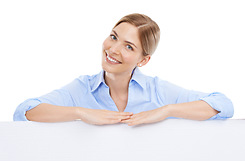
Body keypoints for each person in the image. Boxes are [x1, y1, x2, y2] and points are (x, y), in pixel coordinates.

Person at [13, 13, 234, 126]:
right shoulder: (82, 88)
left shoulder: (156, 90)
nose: (113, 49)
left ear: (143, 60)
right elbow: (25, 111)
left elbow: (223, 104)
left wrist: (167, 111)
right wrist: (81, 113)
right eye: (113, 37)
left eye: (129, 46)